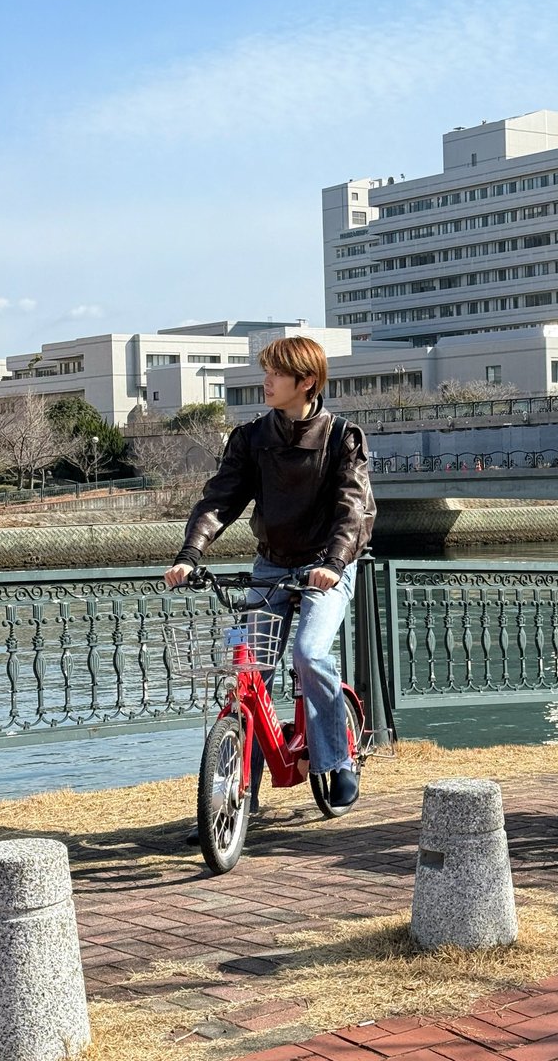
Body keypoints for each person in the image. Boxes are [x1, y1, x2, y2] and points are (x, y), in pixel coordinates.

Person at [164, 336, 376, 814]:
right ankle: (238, 797)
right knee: (249, 669)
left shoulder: (343, 436)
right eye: (267, 372)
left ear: (306, 382)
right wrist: (190, 553)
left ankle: (336, 761)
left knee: (307, 652)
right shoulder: (252, 437)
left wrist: (334, 564)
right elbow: (220, 499)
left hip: (326, 564)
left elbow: (355, 510)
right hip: (272, 564)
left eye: (277, 374)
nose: (266, 382)